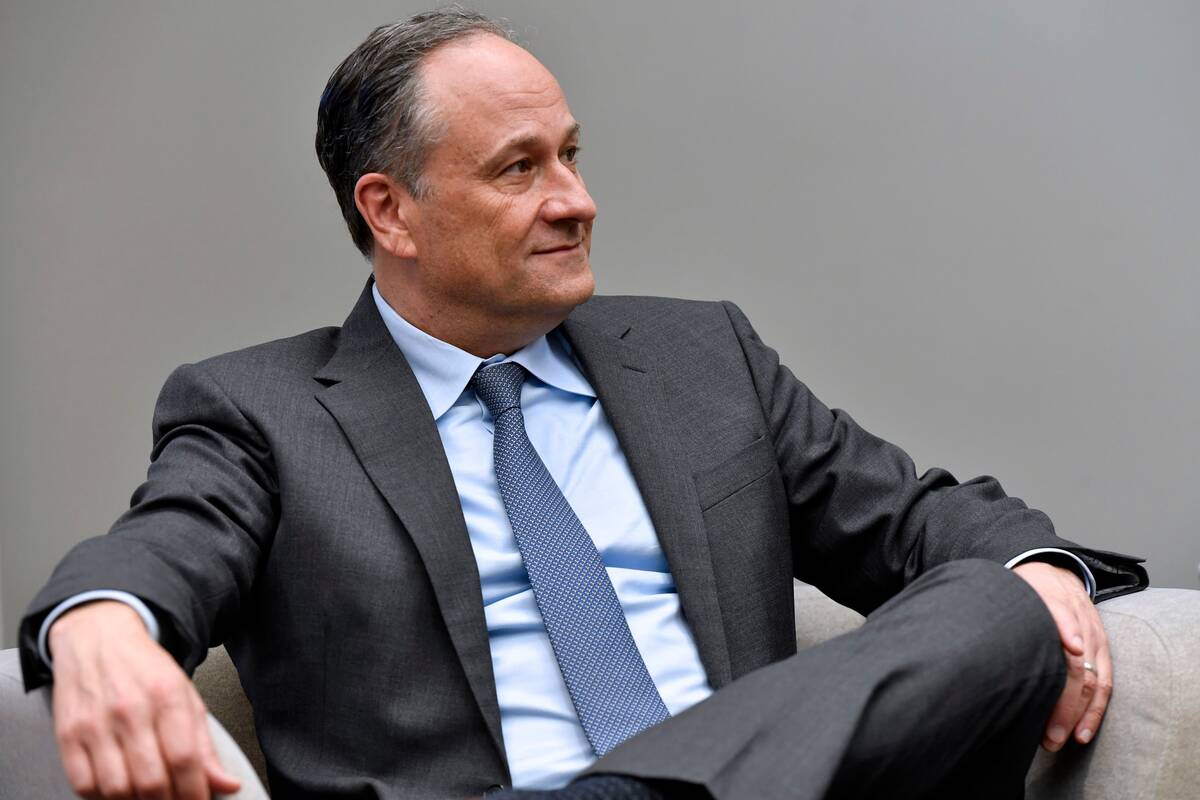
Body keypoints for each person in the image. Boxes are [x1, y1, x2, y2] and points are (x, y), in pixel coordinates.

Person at [19, 9, 1146, 800]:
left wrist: (1033, 566)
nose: (579, 200)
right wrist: (102, 620)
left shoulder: (702, 355)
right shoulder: (260, 408)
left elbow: (913, 519)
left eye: (572, 155)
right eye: (521, 169)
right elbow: (162, 546)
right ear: (391, 209)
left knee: (996, 605)